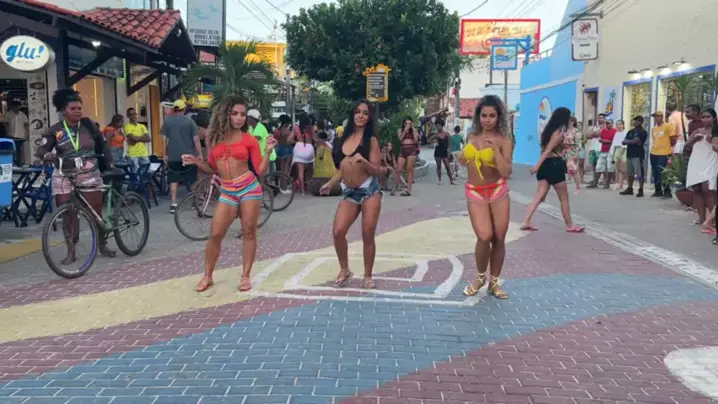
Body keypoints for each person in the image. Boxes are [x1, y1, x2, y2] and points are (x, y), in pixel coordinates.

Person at [186, 96, 276, 293]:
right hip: (227, 191)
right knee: (215, 234)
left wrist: (268, 152)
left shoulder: (249, 140)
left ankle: (245, 276)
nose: (239, 118)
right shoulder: (214, 139)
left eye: (242, 114)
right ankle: (207, 276)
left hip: (249, 189)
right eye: (234, 113)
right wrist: (196, 162)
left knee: (248, 232)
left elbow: (260, 170)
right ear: (225, 114)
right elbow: (212, 168)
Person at [35, 89, 117, 262]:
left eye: (79, 108)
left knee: (95, 212)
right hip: (63, 175)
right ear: (63, 110)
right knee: (68, 214)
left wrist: (110, 163)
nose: (78, 111)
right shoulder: (55, 130)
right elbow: (41, 149)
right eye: (73, 108)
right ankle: (71, 252)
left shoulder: (89, 125)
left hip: (89, 173)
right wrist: (47, 155)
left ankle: (102, 244)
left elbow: (103, 145)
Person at [319, 99, 387, 289]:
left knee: (367, 233)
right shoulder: (344, 138)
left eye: (365, 113)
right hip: (349, 192)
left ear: (369, 117)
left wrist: (364, 162)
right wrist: (330, 183)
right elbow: (343, 169)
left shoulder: (370, 140)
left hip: (369, 190)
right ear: (352, 114)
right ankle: (345, 269)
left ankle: (367, 275)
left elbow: (377, 170)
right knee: (338, 231)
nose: (361, 116)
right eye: (358, 112)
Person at [458, 95, 513, 299]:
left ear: (499, 117)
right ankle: (480, 277)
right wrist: (461, 157)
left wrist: (495, 151)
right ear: (478, 117)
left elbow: (506, 171)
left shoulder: (505, 140)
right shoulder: (471, 137)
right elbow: (463, 161)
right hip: (475, 191)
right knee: (484, 236)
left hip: (498, 190)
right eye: (484, 115)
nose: (487, 120)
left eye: (492, 116)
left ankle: (494, 282)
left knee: (499, 237)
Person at [521, 107, 584, 233]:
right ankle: (570, 225)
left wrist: (539, 165)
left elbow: (544, 150)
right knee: (563, 198)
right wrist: (537, 165)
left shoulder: (547, 131)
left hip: (545, 165)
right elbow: (548, 150)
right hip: (555, 164)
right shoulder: (559, 133)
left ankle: (526, 220)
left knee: (539, 195)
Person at [162, 99, 203, 213]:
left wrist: (165, 154)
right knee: (193, 180)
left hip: (173, 156)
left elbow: (164, 140)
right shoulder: (190, 122)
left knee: (173, 180)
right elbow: (196, 139)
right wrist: (199, 154)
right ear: (183, 109)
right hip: (188, 156)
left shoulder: (167, 122)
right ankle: (195, 203)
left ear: (174, 109)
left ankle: (173, 204)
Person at [684, 108, 718, 226]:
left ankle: (713, 220)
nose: (705, 119)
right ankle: (702, 218)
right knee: (697, 189)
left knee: (708, 189)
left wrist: (711, 140)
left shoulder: (716, 131)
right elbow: (686, 147)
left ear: (714, 118)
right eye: (703, 117)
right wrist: (693, 140)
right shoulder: (697, 131)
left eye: (708, 117)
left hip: (711, 161)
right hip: (696, 162)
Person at [649, 111, 677, 198]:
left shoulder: (668, 126)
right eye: (655, 117)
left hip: (664, 153)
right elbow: (655, 139)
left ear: (662, 117)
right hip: (653, 153)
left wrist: (668, 149)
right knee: (655, 172)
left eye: (658, 116)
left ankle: (667, 192)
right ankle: (658, 191)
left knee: (663, 173)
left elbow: (673, 139)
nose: (656, 118)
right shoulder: (654, 128)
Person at [620, 116, 649, 197]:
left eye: (638, 121)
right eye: (635, 121)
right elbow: (623, 142)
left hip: (638, 155)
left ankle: (641, 189)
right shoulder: (630, 131)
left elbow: (635, 141)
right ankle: (630, 188)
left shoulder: (643, 132)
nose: (636, 122)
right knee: (630, 173)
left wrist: (630, 141)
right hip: (629, 154)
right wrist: (631, 141)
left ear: (641, 122)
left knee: (639, 173)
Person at [309, 130, 341, 196]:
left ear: (321, 139)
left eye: (318, 138)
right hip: (330, 170)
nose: (316, 140)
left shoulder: (321, 147)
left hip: (322, 172)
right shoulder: (328, 146)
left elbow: (320, 158)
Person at [393, 117, 419, 196]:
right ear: (404, 123)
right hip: (403, 149)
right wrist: (405, 130)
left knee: (409, 169)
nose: (408, 125)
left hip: (411, 149)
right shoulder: (400, 130)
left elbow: (416, 140)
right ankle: (396, 186)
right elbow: (400, 139)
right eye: (406, 123)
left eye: (409, 123)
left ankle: (408, 190)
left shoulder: (414, 130)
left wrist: (413, 129)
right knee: (398, 169)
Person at [589, 119, 617, 189]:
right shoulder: (604, 131)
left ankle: (607, 183)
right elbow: (600, 139)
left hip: (611, 151)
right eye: (606, 123)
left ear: (612, 124)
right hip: (603, 150)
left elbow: (614, 141)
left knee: (610, 168)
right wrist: (604, 141)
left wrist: (606, 141)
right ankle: (595, 182)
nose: (607, 124)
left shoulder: (615, 131)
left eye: (609, 123)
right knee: (599, 167)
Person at [291, 116, 315, 194]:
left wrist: (297, 142)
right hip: (309, 148)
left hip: (299, 149)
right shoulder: (311, 128)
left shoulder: (296, 128)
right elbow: (315, 138)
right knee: (309, 171)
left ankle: (302, 191)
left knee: (300, 171)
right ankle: (309, 187)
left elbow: (289, 139)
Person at [124, 107, 151, 172]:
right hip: (133, 154)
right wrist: (142, 137)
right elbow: (133, 138)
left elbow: (148, 139)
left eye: (134, 114)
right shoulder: (127, 126)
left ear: (136, 114)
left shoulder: (142, 126)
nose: (133, 116)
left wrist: (136, 138)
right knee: (134, 173)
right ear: (128, 116)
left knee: (145, 172)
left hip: (143, 153)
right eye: (131, 114)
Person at [430, 118, 455, 185]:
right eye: (437, 126)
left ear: (442, 125)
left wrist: (449, 151)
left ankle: (451, 180)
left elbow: (450, 144)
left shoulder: (447, 134)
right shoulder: (436, 135)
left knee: (447, 166)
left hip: (445, 152)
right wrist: (434, 141)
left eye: (439, 125)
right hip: (438, 151)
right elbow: (428, 140)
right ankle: (439, 180)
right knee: (439, 166)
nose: (438, 127)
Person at [563, 116, 582, 193]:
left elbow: (578, 143)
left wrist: (576, 154)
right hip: (564, 150)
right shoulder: (564, 130)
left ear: (572, 122)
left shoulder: (576, 131)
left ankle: (578, 187)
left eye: (569, 121)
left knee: (572, 169)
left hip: (572, 151)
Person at [611, 120, 628, 191]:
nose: (618, 126)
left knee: (622, 169)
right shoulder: (616, 133)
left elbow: (625, 144)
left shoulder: (625, 132)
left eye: (620, 124)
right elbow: (614, 144)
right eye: (617, 124)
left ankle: (622, 184)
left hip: (623, 150)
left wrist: (621, 153)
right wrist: (613, 154)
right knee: (617, 169)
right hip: (616, 150)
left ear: (623, 125)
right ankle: (618, 184)